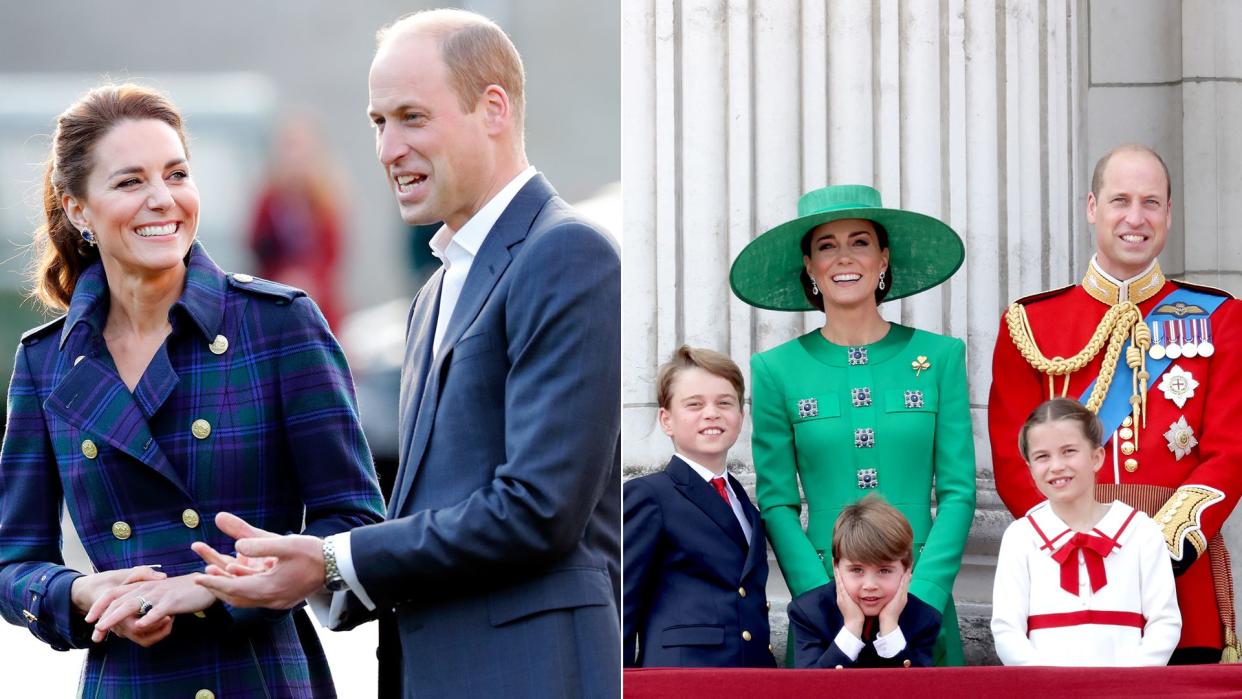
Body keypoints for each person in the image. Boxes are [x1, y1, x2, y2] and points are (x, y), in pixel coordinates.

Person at [193, 9, 622, 698]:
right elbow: (438, 508)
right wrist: (299, 576)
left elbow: (538, 509)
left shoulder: (568, 253)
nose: (388, 148)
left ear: (493, 109)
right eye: (377, 123)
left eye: (411, 117)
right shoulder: (436, 291)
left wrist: (333, 558)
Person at [0, 83, 385, 697]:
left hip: (258, 676)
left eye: (176, 174)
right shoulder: (48, 362)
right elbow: (12, 562)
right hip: (128, 680)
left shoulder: (278, 323)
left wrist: (213, 585)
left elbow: (355, 521)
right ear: (77, 209)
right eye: (130, 182)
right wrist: (77, 593)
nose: (162, 200)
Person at [988, 144, 1242, 664]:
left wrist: (1154, 553)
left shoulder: (1220, 318)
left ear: (1168, 213)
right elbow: (1016, 460)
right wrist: (1069, 542)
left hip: (1178, 579)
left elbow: (1230, 453)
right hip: (1063, 581)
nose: (1135, 217)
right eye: (1119, 200)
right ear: (1091, 207)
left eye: (1151, 202)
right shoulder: (1029, 324)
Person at [730, 184, 976, 665]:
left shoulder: (942, 357)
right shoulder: (775, 369)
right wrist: (823, 597)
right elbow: (777, 501)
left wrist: (922, 590)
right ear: (810, 266)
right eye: (827, 245)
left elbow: (958, 491)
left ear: (883, 257)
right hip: (825, 605)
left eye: (860, 241)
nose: (845, 257)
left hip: (919, 593)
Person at [991, 398, 1180, 665]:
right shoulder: (1021, 537)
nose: (1056, 465)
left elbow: (1165, 622)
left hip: (1129, 691)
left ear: (1096, 457)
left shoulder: (1141, 531)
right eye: (1042, 456)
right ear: (1030, 468)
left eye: (1069, 451)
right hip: (1046, 691)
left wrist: (1129, 683)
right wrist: (1044, 683)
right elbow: (1006, 629)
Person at [623, 346, 775, 668]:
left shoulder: (746, 506)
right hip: (680, 678)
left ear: (741, 415)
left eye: (724, 402)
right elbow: (621, 606)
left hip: (751, 679)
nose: (712, 413)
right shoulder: (649, 495)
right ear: (666, 419)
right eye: (694, 404)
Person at [787, 495, 940, 668]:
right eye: (857, 570)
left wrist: (889, 626)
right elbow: (809, 690)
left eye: (884, 570)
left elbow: (918, 690)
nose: (870, 585)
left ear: (906, 569)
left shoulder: (923, 618)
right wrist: (852, 628)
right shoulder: (809, 613)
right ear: (836, 567)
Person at [248, 116, 346, 329]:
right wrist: (283, 277)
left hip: (318, 300)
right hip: (275, 296)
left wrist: (308, 278)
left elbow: (332, 255)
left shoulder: (326, 201)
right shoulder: (268, 199)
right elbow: (257, 248)